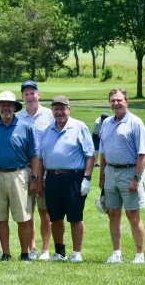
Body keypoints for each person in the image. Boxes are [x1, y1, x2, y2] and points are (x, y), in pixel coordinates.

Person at [38, 96, 94, 262]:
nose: (59, 112)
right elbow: (41, 158)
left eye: (62, 108)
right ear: (52, 111)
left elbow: (90, 155)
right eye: (56, 108)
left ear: (68, 109)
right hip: (52, 178)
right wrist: (40, 180)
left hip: (73, 178)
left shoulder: (79, 126)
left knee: (75, 216)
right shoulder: (47, 130)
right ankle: (60, 252)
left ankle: (76, 253)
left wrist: (87, 178)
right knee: (55, 216)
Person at [0, 91, 39, 262]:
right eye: (2, 104)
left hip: (19, 174)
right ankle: (6, 253)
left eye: (9, 104)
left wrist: (35, 178)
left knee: (23, 217)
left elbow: (34, 155)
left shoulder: (25, 126)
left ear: (15, 107)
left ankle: (24, 253)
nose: (6, 107)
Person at [99, 88, 145, 264]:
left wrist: (136, 178)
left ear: (126, 101)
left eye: (119, 100)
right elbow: (103, 153)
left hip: (130, 172)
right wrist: (102, 177)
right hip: (110, 172)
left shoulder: (136, 123)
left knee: (132, 214)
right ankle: (116, 253)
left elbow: (143, 154)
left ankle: (139, 255)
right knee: (113, 213)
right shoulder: (106, 123)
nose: (116, 104)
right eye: (113, 100)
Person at [16, 80, 53, 260]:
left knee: (44, 211)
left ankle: (45, 249)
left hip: (46, 168)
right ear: (22, 97)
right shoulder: (19, 118)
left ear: (39, 94)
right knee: (27, 211)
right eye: (26, 94)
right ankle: (32, 247)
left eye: (32, 93)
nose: (29, 97)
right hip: (25, 169)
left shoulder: (50, 115)